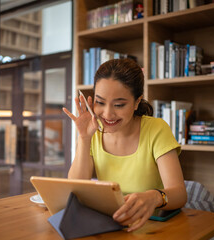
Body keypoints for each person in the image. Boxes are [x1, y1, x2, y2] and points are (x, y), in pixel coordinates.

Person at [62, 58, 187, 232]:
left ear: (137, 102)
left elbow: (180, 193)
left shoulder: (156, 129)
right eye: (100, 102)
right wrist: (84, 138)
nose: (107, 114)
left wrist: (154, 197)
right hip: (111, 226)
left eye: (119, 105)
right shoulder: (93, 132)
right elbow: (76, 188)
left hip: (152, 227)